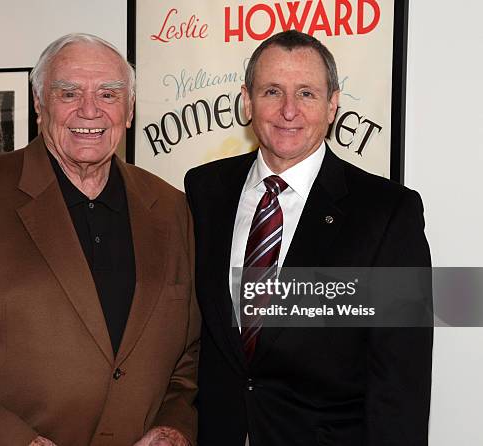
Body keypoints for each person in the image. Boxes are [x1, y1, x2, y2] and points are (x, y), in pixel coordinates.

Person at [0, 33, 199, 446]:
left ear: (129, 110)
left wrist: (174, 427)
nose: (90, 109)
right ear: (39, 104)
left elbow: (190, 356)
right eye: (68, 92)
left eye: (108, 93)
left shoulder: (172, 207)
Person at [185, 30, 432, 445]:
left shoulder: (388, 213)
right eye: (271, 91)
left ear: (333, 104)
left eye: (306, 94)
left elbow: (401, 381)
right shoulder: (204, 191)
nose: (288, 111)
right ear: (247, 101)